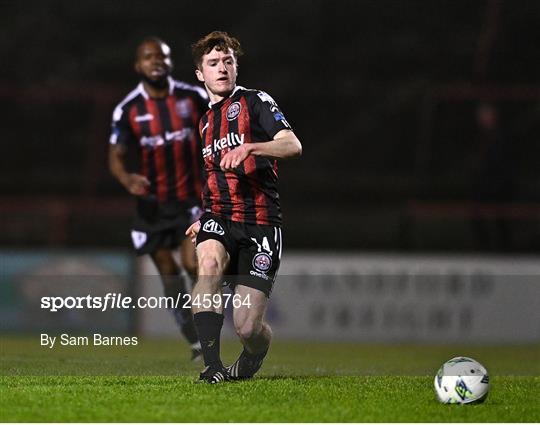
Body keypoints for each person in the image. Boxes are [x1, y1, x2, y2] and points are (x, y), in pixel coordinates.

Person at [186, 31, 302, 383]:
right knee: (208, 264)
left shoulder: (255, 102)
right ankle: (212, 367)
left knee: (248, 328)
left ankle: (255, 354)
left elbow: (292, 145)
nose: (222, 68)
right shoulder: (204, 122)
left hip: (261, 224)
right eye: (213, 63)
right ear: (199, 74)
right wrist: (200, 217)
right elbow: (211, 177)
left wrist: (252, 148)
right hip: (219, 217)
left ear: (236, 68)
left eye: (228, 62)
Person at [108, 36, 208, 360]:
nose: (156, 61)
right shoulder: (129, 109)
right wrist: (127, 179)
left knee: (194, 263)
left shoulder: (193, 97)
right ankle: (193, 338)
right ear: (138, 65)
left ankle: (208, 330)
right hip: (152, 205)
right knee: (168, 272)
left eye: (162, 56)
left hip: (192, 200)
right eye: (149, 57)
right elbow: (116, 155)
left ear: (170, 62)